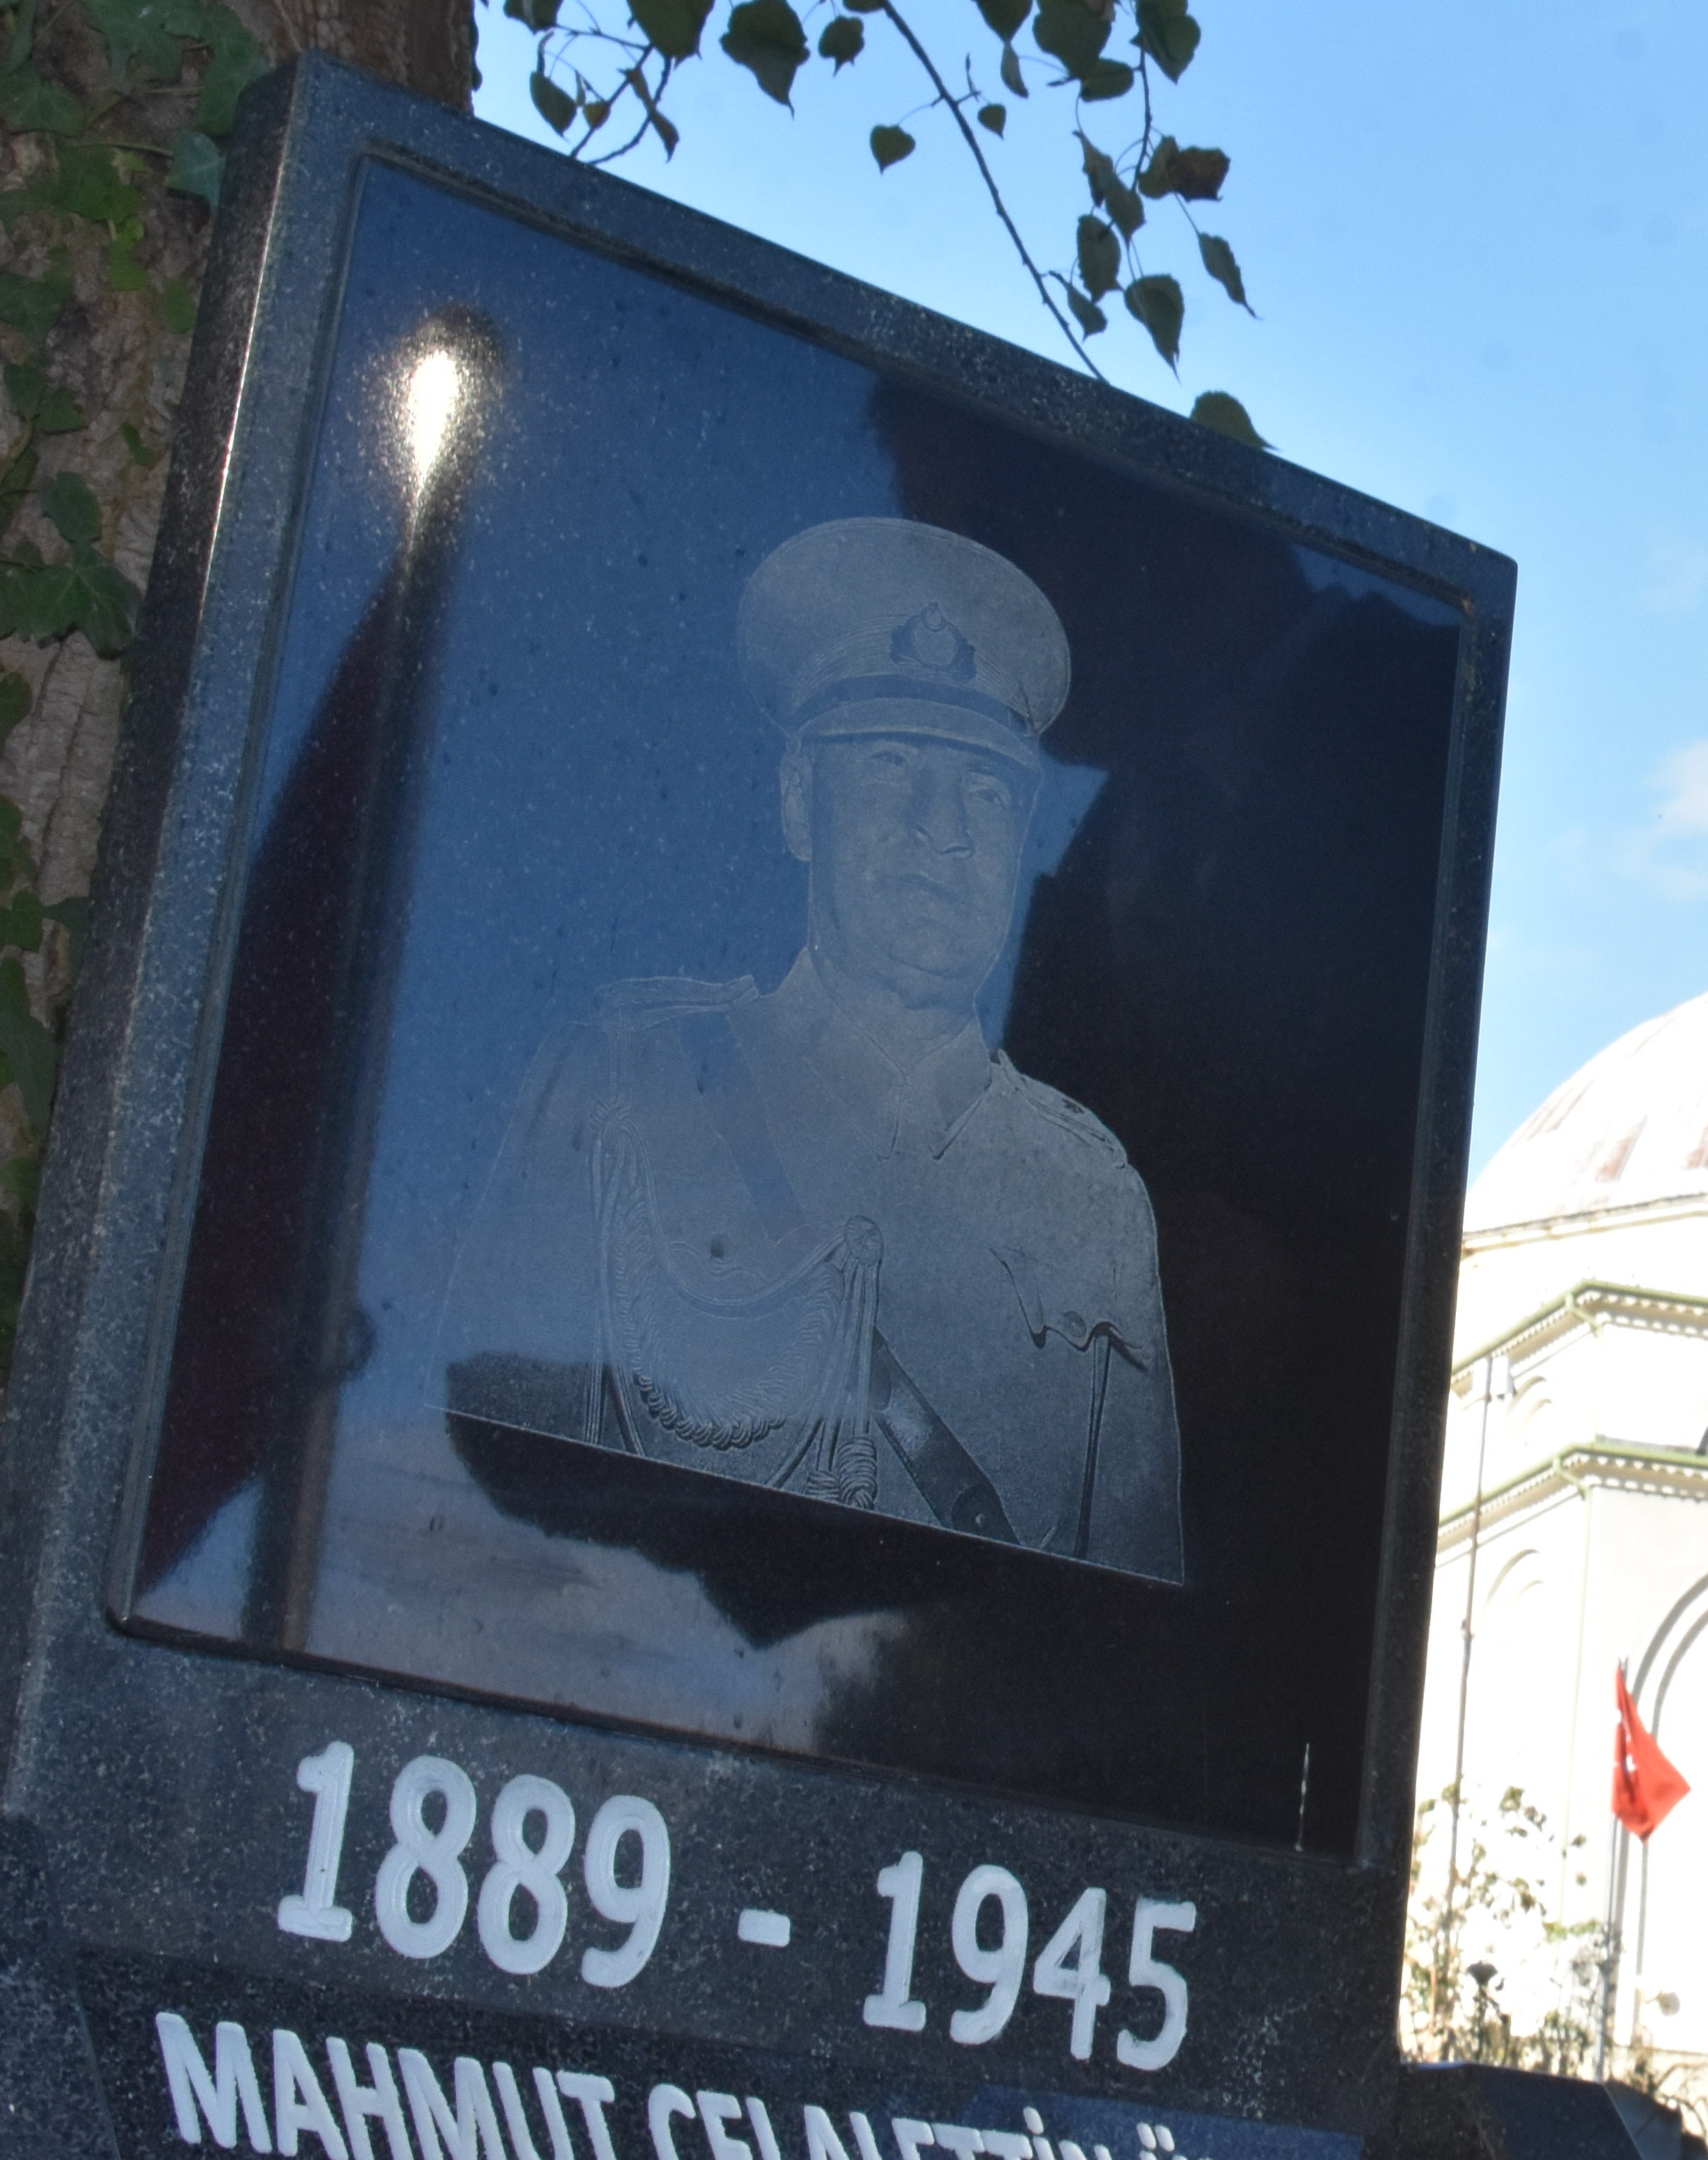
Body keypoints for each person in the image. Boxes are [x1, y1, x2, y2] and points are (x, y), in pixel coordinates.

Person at [444, 515, 1183, 1583]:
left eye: (987, 791)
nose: (946, 828)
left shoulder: (1093, 1196)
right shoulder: (628, 1077)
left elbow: (1130, 1623)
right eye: (893, 767)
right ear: (801, 801)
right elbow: (473, 1506)